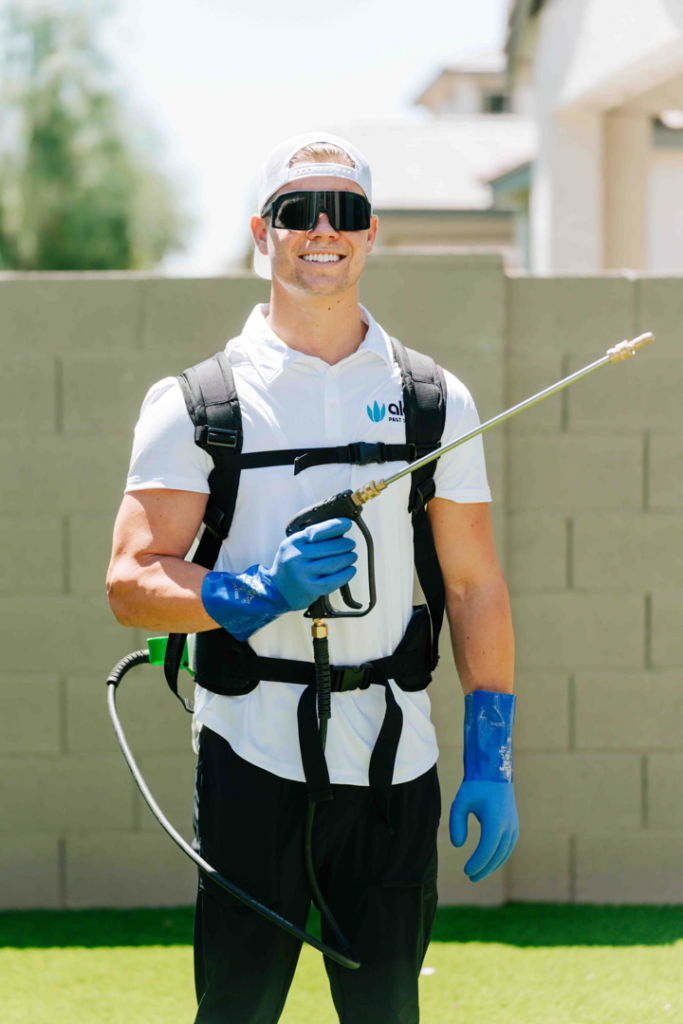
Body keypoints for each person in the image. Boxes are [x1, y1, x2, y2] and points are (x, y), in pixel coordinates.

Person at [107, 131, 518, 1024]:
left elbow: (474, 586)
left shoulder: (432, 400)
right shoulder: (197, 403)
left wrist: (491, 757)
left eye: (345, 211)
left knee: (386, 1011)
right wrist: (254, 592)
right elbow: (131, 583)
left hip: (395, 759)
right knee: (237, 1010)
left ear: (371, 232)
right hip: (249, 752)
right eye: (299, 211)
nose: (322, 230)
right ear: (264, 232)